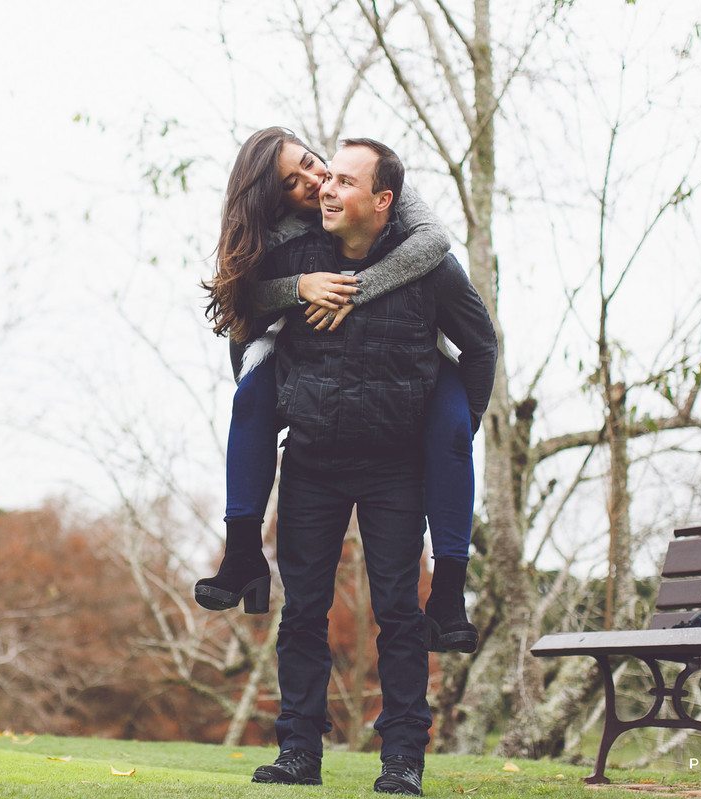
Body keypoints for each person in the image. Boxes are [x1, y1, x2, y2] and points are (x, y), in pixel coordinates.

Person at [249, 138, 497, 794]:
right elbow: (245, 319)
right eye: (326, 177)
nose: (326, 189)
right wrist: (281, 400)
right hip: (311, 462)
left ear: (383, 200)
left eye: (345, 182)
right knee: (303, 611)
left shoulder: (431, 269)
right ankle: (298, 752)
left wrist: (458, 430)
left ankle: (403, 760)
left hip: (395, 467)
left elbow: (480, 346)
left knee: (397, 612)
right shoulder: (298, 257)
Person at [197, 127, 480, 653]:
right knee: (250, 396)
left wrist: (357, 291)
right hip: (310, 390)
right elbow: (240, 301)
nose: (314, 180)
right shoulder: (276, 234)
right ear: (272, 200)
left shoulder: (371, 183)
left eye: (310, 161)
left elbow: (434, 242)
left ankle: (449, 592)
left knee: (452, 425)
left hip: (408, 355)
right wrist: (298, 288)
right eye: (291, 182)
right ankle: (242, 552)